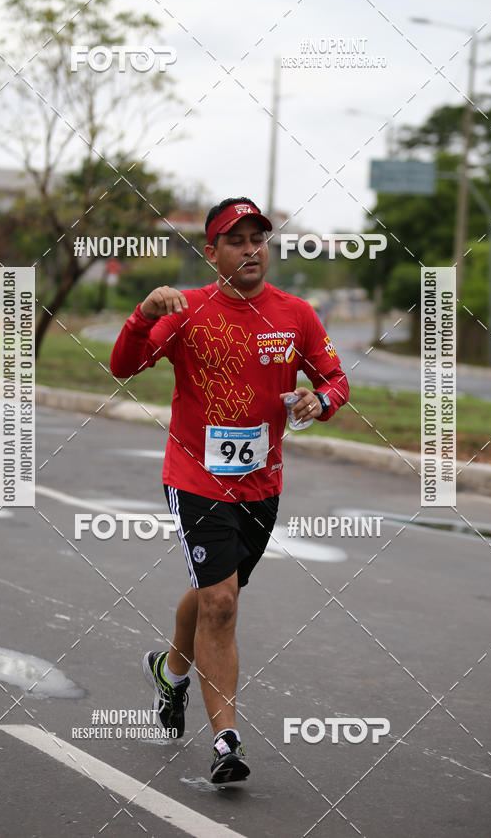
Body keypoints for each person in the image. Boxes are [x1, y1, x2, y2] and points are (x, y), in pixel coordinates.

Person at [110, 197, 349, 783]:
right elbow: (122, 365)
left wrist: (322, 400)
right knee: (221, 603)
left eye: (258, 239)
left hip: (261, 486)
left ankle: (170, 672)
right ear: (211, 252)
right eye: (236, 241)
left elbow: (335, 378)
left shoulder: (295, 314)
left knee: (218, 590)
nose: (251, 250)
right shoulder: (187, 311)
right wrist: (142, 313)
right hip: (195, 478)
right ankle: (227, 742)